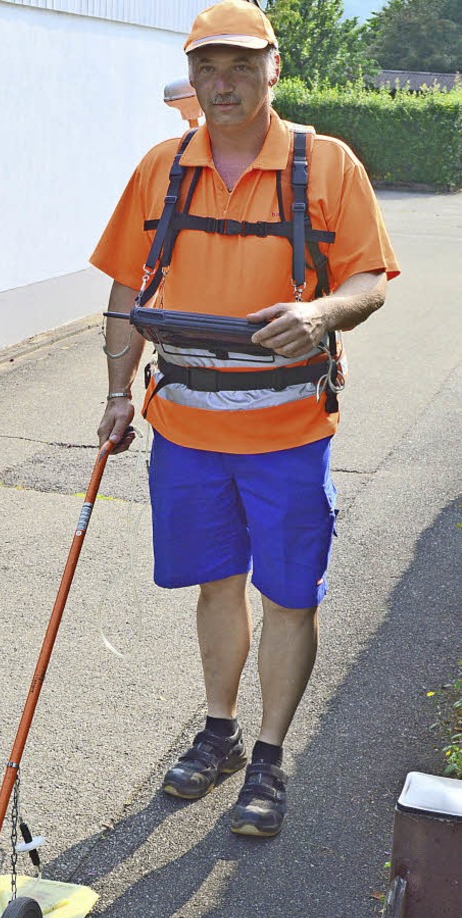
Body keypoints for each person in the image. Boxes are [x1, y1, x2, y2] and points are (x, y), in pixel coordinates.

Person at [91, 0, 399, 838]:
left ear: (273, 70)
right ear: (190, 78)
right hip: (184, 429)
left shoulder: (327, 164)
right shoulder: (162, 167)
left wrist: (323, 313)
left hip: (290, 433)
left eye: (239, 66)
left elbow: (370, 280)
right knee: (216, 584)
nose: (220, 84)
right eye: (206, 68)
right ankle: (221, 734)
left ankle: (268, 757)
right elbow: (126, 290)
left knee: (290, 595)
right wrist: (118, 395)